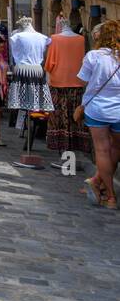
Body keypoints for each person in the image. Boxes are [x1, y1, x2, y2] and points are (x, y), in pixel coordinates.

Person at [78, 20, 120, 209]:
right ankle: (97, 181)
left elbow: (82, 81)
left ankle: (110, 196)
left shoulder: (93, 56)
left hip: (97, 109)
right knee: (115, 149)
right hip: (119, 109)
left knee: (102, 151)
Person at [45, 19, 91, 155]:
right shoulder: (81, 39)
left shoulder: (55, 39)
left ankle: (62, 146)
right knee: (75, 114)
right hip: (77, 82)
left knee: (59, 114)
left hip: (58, 82)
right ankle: (74, 146)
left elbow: (50, 63)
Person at [7, 17, 52, 131]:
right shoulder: (42, 37)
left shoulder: (18, 37)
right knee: (33, 101)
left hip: (23, 69)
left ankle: (27, 126)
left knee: (27, 102)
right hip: (36, 70)